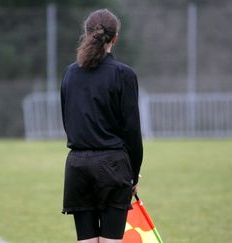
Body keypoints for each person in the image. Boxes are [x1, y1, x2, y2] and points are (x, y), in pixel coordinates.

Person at [61, 9, 143, 243]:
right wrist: (133, 173)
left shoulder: (69, 73)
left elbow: (68, 120)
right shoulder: (124, 74)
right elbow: (132, 131)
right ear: (115, 37)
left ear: (86, 34)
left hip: (77, 166)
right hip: (113, 167)